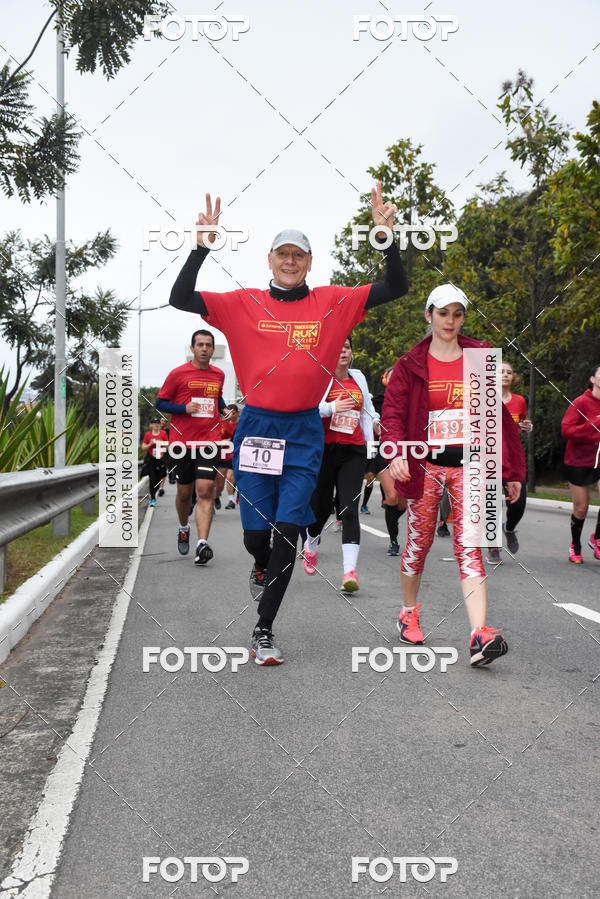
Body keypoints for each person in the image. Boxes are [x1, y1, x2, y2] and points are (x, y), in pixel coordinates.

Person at [169, 185, 408, 665]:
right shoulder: (243, 303)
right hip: (257, 427)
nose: (291, 261)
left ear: (310, 261)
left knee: (287, 532)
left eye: (299, 254)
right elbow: (179, 297)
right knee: (256, 538)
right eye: (283, 254)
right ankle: (260, 564)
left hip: (303, 432)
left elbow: (396, 288)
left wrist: (388, 240)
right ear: (270, 259)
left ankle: (263, 629)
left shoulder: (333, 301)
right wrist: (200, 247)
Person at [381, 283, 525, 666]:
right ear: (429, 316)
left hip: (472, 465)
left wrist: (510, 469)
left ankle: (479, 634)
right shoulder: (409, 364)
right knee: (420, 542)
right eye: (443, 313)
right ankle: (408, 611)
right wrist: (395, 452)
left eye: (457, 314)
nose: (450, 321)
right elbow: (392, 416)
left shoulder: (480, 358)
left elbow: (499, 421)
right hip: (425, 465)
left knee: (470, 545)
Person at [302, 336, 378, 591]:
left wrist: (372, 445)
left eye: (346, 347)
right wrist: (332, 407)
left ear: (352, 352)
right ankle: (311, 541)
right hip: (323, 450)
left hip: (353, 451)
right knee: (321, 508)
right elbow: (306, 408)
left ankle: (349, 573)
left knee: (348, 509)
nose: (343, 351)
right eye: (338, 347)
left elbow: (366, 410)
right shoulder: (320, 378)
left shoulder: (358, 378)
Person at [156, 329, 225, 565]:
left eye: (208, 345)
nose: (204, 348)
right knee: (184, 494)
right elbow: (160, 402)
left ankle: (202, 544)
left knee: (205, 490)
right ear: (192, 348)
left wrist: (224, 410)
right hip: (182, 443)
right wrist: (183, 409)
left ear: (213, 349)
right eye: (200, 345)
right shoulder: (178, 374)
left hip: (209, 440)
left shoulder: (219, 375)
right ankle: (184, 527)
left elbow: (218, 398)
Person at [486, 361, 534, 562]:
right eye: (501, 371)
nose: (505, 375)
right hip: (488, 457)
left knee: (519, 502)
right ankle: (493, 547)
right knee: (491, 503)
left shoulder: (519, 401)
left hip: (512, 458)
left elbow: (520, 425)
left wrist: (526, 427)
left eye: (509, 372)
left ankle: (510, 528)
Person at [560, 363, 600, 563]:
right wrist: (595, 424)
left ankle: (597, 538)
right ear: (593, 379)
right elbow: (567, 431)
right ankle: (575, 544)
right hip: (578, 461)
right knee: (581, 507)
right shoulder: (580, 402)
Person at [216, 404, 240, 510]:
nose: (231, 415)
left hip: (242, 455)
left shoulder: (243, 423)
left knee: (235, 478)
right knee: (225, 479)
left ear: (237, 412)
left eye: (233, 413)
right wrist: (226, 441)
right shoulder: (223, 425)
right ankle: (224, 498)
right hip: (226, 455)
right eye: (229, 413)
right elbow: (216, 440)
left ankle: (235, 499)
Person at [141, 417, 168, 506]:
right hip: (151, 460)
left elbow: (168, 445)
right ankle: (153, 498)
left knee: (158, 479)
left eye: (157, 423)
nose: (156, 425)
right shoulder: (148, 435)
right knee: (152, 479)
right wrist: (150, 444)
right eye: (154, 423)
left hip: (160, 459)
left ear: (160, 425)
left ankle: (154, 493)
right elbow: (143, 447)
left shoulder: (163, 433)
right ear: (151, 425)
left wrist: (160, 443)